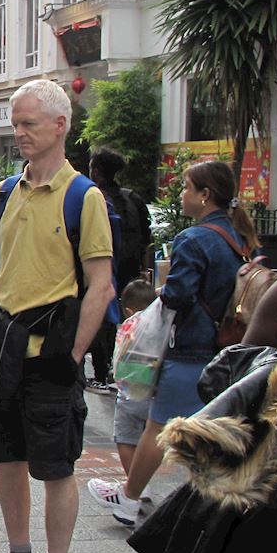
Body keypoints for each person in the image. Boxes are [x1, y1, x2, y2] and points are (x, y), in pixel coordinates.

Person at [0, 80, 116, 553]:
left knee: (55, 467)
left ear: (59, 125)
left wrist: (71, 358)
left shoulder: (83, 197)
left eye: (28, 123)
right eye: (16, 123)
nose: (19, 132)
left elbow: (101, 286)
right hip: (1, 350)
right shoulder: (5, 193)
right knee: (7, 459)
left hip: (50, 353)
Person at [88, 159, 258, 527]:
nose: (180, 194)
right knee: (210, 435)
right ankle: (211, 509)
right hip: (228, 350)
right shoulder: (240, 238)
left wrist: (160, 293)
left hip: (191, 348)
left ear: (205, 195)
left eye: (186, 187)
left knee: (157, 427)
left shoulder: (193, 239)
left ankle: (130, 499)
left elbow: (179, 295)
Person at [84, 149, 154, 394]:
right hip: (131, 271)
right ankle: (127, 369)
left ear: (96, 171)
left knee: (102, 320)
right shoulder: (133, 198)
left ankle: (102, 372)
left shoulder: (93, 198)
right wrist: (144, 269)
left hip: (105, 270)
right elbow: (147, 236)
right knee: (132, 321)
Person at [102, 279, 158, 482]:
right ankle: (144, 481)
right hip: (154, 396)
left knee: (125, 440)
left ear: (127, 310)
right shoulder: (160, 327)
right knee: (151, 438)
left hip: (129, 396)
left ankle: (135, 484)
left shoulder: (129, 328)